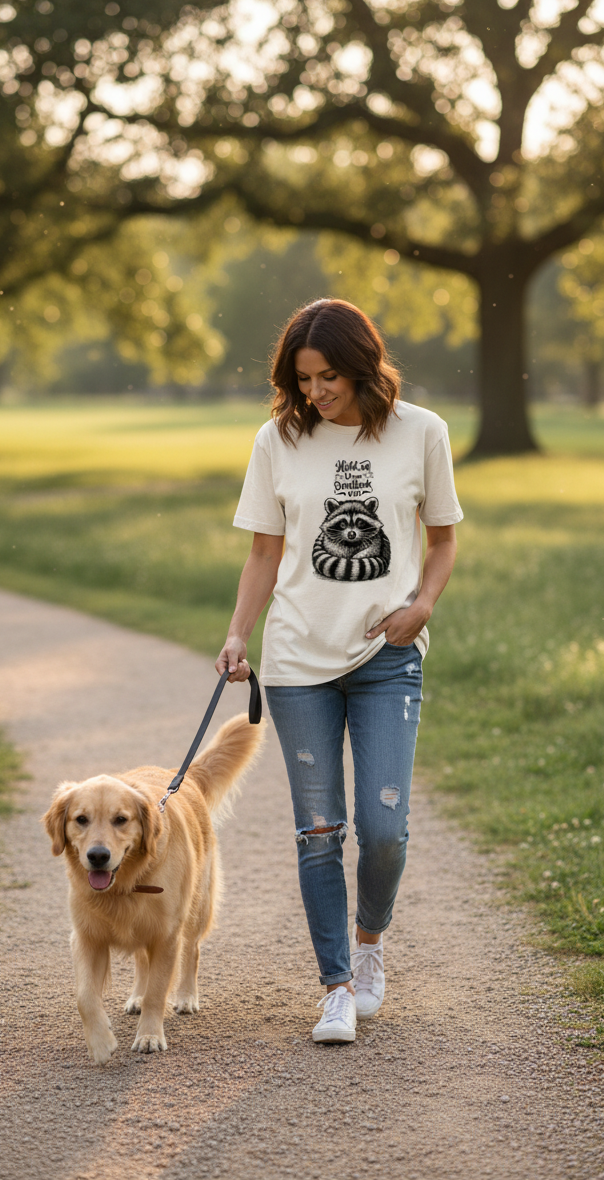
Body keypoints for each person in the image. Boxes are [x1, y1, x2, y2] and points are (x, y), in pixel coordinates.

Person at [216, 298, 462, 1043]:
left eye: (328, 377)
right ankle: (336, 986)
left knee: (383, 829)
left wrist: (422, 604)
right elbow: (264, 553)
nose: (316, 393)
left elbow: (444, 540)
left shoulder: (422, 432)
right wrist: (236, 634)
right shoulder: (277, 439)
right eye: (304, 379)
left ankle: (371, 942)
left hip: (388, 657)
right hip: (297, 662)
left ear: (362, 365)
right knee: (318, 831)